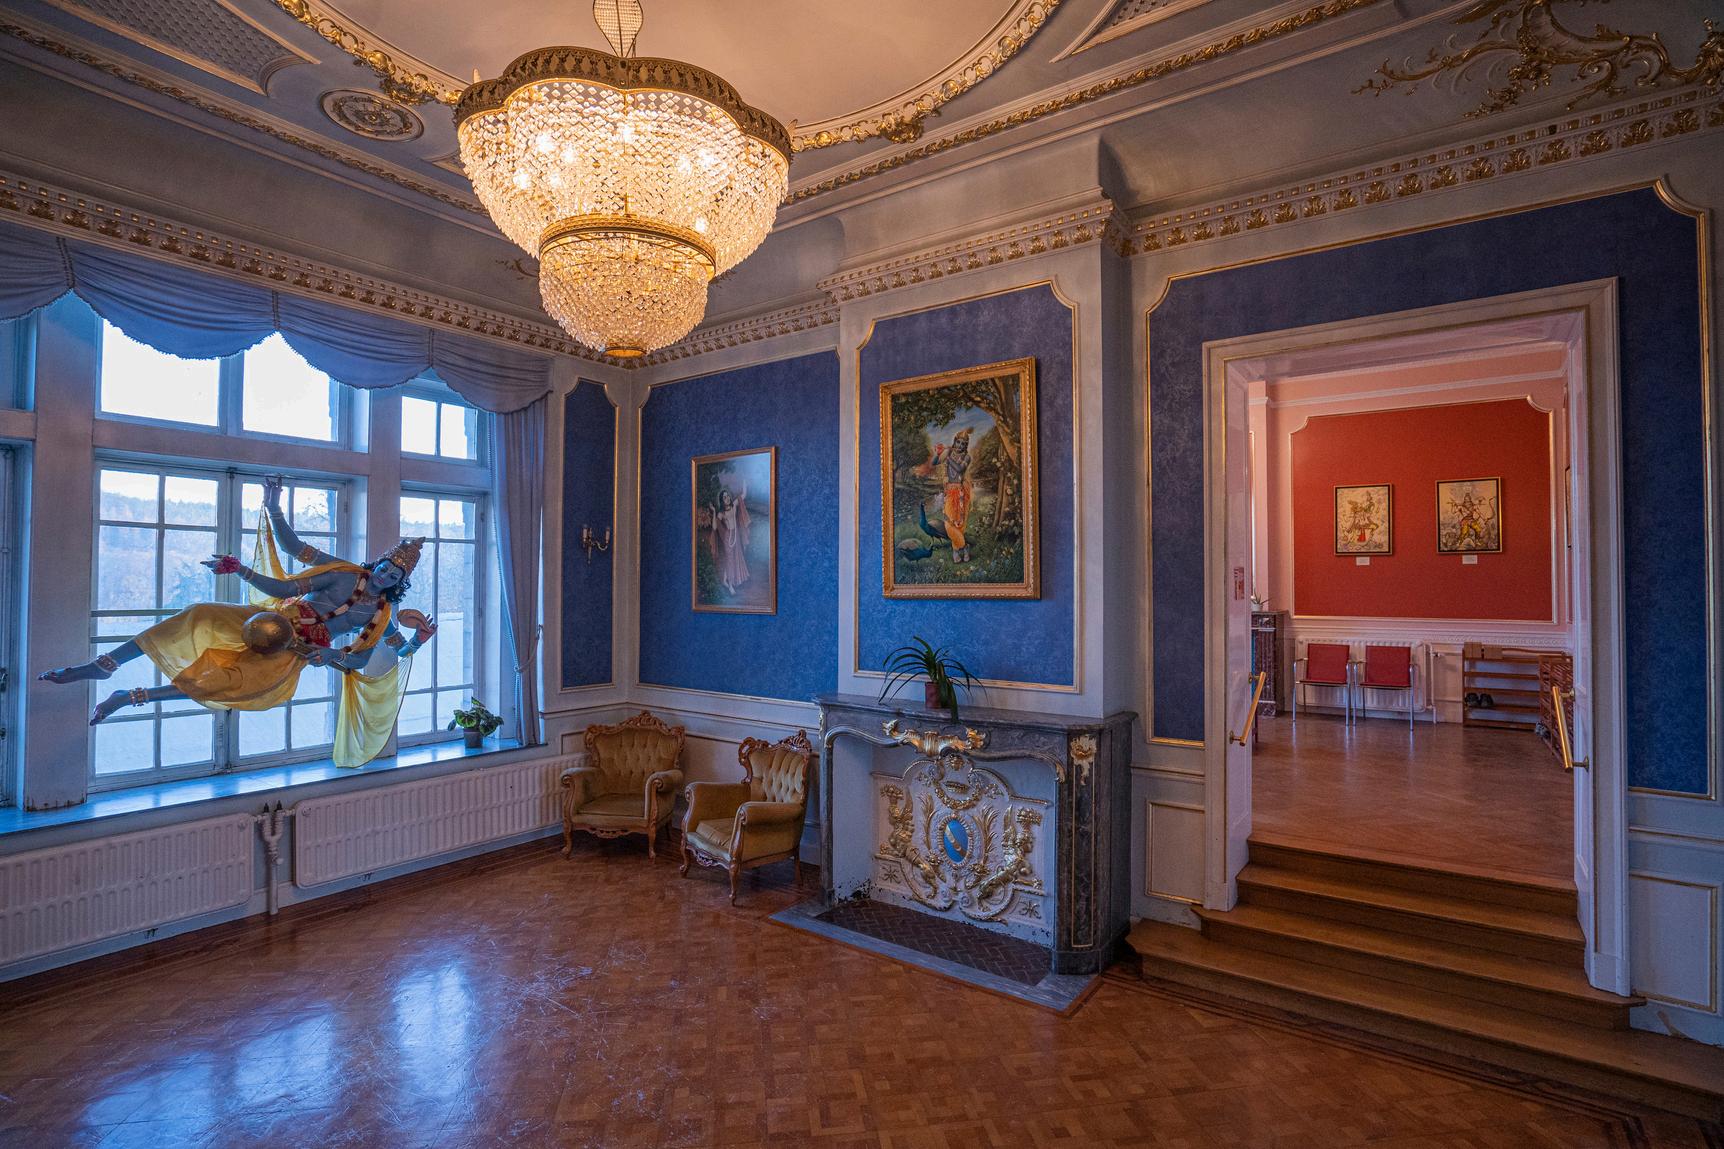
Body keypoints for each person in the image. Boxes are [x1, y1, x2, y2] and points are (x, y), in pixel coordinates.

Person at [39, 475, 437, 767]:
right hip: (267, 620)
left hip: (293, 653)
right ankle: (106, 663)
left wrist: (412, 641)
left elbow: (374, 657)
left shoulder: (381, 615)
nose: (386, 575)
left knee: (220, 684)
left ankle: (128, 698)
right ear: (377, 563)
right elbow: (291, 563)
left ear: (399, 583)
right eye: (385, 567)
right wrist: (267, 519)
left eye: (394, 575)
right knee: (199, 614)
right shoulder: (343, 573)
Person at [943, 428, 974, 564]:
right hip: (950, 490)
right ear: (955, 441)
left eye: (963, 444)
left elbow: (960, 469)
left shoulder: (967, 457)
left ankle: (955, 550)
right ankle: (964, 546)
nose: (960, 445)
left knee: (960, 522)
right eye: (958, 442)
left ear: (966, 446)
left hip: (961, 491)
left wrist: (948, 458)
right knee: (948, 522)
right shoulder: (950, 452)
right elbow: (940, 464)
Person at [711, 486, 750, 595]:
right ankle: (731, 586)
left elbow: (744, 495)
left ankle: (724, 580)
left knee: (734, 558)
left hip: (736, 536)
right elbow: (714, 527)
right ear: (722, 501)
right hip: (728, 538)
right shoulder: (722, 513)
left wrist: (745, 482)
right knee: (730, 560)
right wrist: (714, 511)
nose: (727, 498)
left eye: (727, 496)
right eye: (724, 497)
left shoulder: (734, 505)